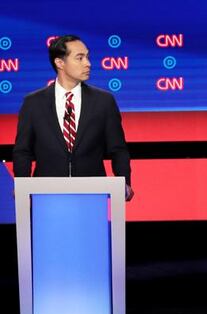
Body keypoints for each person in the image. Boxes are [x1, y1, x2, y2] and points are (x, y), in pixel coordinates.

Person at [13, 35, 133, 200]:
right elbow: (23, 151)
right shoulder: (33, 102)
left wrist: (124, 182)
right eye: (80, 58)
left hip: (92, 195)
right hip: (46, 195)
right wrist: (22, 185)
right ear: (60, 63)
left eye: (87, 57)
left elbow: (118, 149)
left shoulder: (103, 101)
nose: (88, 63)